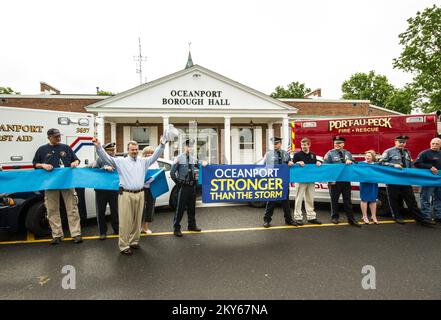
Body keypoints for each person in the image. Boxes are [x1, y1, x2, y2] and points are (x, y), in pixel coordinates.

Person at [92, 132, 169, 255]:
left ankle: (134, 241)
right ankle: (124, 245)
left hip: (140, 194)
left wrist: (162, 145)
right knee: (125, 221)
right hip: (126, 194)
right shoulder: (120, 161)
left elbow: (155, 156)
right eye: (132, 149)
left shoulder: (143, 162)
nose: (134, 151)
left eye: (136, 149)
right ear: (128, 150)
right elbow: (107, 158)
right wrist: (98, 147)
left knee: (137, 220)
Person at [32, 128, 83, 244]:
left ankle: (76, 234)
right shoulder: (42, 149)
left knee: (72, 208)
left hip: (67, 183)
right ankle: (57, 235)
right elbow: (35, 164)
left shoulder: (66, 147)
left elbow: (76, 160)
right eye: (55, 136)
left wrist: (75, 163)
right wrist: (43, 165)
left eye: (59, 136)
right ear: (49, 137)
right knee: (52, 209)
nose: (58, 138)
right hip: (50, 184)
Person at [380, 135, 433, 226]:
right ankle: (397, 217)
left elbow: (410, 165)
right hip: (393, 180)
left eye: (404, 142)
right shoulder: (388, 152)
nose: (402, 144)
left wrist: (417, 172)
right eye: (400, 142)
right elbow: (381, 162)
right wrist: (393, 165)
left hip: (405, 180)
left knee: (411, 200)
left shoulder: (407, 152)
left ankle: (420, 219)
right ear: (395, 142)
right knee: (394, 200)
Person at [170, 139, 208, 237]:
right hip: (183, 186)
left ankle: (192, 225)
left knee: (192, 208)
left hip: (192, 187)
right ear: (184, 147)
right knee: (180, 209)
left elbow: (199, 165)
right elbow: (172, 173)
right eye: (188, 146)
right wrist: (178, 183)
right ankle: (176, 228)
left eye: (191, 146)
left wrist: (204, 163)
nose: (190, 148)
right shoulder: (179, 158)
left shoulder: (193, 158)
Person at [323, 136, 361, 227]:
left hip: (345, 180)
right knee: (334, 200)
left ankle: (351, 219)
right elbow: (326, 167)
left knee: (348, 201)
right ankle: (334, 217)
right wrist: (330, 179)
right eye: (336, 143)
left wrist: (350, 161)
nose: (337, 145)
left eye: (339, 143)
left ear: (343, 144)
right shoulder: (330, 154)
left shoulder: (348, 153)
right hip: (334, 181)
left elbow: (354, 163)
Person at [262, 136, 297, 228]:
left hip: (284, 181)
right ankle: (267, 220)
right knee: (271, 201)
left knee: (286, 202)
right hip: (273, 181)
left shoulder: (286, 154)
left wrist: (290, 163)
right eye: (273, 143)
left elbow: (290, 165)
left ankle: (289, 220)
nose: (275, 145)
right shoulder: (269, 154)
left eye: (277, 143)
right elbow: (264, 167)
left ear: (280, 144)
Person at [91, 142, 119, 240]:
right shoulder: (98, 160)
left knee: (115, 211)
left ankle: (117, 229)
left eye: (113, 150)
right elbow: (93, 172)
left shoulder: (117, 160)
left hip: (113, 189)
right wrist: (104, 168)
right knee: (101, 211)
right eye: (110, 150)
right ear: (104, 151)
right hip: (101, 190)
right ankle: (102, 232)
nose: (112, 152)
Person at [292, 138, 322, 225]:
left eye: (305, 145)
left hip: (311, 180)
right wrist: (297, 163)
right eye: (302, 145)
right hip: (300, 180)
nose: (303, 146)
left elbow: (315, 164)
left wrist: (318, 163)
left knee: (310, 198)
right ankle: (298, 217)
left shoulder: (313, 155)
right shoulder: (297, 155)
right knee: (299, 199)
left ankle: (311, 217)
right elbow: (291, 165)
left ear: (309, 145)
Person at [414, 137, 441, 225]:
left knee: (439, 199)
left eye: (437, 144)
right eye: (433, 143)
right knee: (425, 199)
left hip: (439, 180)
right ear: (430, 144)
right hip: (427, 181)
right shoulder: (424, 153)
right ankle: (426, 217)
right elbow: (417, 164)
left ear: (440, 145)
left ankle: (438, 216)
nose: (434, 145)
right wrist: (430, 167)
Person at [141, 146, 159, 234]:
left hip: (152, 188)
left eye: (152, 153)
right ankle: (139, 227)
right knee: (140, 208)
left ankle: (145, 227)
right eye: (148, 153)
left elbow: (157, 174)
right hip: (142, 188)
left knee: (150, 207)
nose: (150, 155)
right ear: (144, 154)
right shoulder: (141, 162)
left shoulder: (156, 163)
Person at [359, 150, 379, 225]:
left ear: (373, 157)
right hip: (364, 184)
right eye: (366, 156)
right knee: (364, 200)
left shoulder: (376, 165)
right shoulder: (361, 164)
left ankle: (373, 216)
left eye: (369, 156)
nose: (367, 157)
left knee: (373, 200)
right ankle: (364, 216)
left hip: (373, 184)